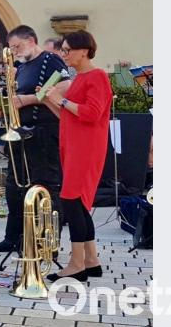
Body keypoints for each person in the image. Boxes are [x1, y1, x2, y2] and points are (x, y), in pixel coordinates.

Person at [0, 25, 71, 253]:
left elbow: (62, 86)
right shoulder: (21, 68)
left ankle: (47, 243)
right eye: (11, 48)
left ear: (31, 40)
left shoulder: (50, 59)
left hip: (43, 132)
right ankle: (13, 236)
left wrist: (28, 99)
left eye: (17, 46)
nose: (15, 51)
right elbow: (12, 96)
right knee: (14, 187)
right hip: (20, 134)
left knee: (45, 186)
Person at [42, 30, 112, 282]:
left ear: (84, 51)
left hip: (86, 148)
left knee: (72, 201)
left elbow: (92, 113)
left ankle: (76, 263)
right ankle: (91, 260)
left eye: (67, 50)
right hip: (73, 146)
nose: (64, 54)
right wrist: (50, 99)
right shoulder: (79, 78)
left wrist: (60, 100)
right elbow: (68, 116)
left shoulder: (97, 76)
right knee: (78, 203)